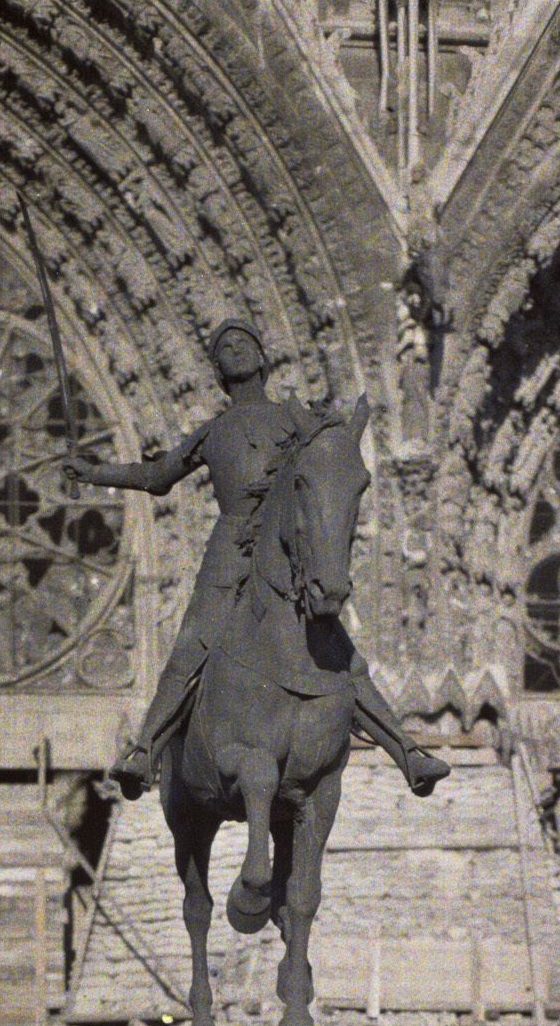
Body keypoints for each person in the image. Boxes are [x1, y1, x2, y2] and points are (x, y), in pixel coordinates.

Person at [65, 318, 446, 799]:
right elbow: (157, 476)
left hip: (287, 552)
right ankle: (144, 751)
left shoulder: (293, 419)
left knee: (342, 656)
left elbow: (330, 460)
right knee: (192, 643)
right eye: (225, 346)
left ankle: (409, 753)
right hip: (228, 551)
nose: (237, 349)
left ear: (265, 359)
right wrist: (94, 472)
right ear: (217, 368)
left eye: (246, 342)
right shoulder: (214, 431)